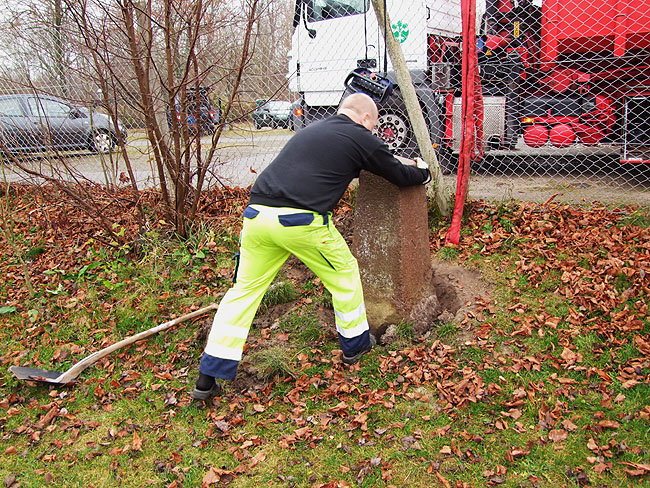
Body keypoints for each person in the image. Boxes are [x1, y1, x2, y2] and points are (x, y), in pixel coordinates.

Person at [193, 92, 430, 400]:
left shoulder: (312, 130)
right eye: (373, 126)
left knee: (243, 292)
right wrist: (423, 170)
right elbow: (398, 173)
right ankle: (356, 346)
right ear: (365, 119)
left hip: (256, 216)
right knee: (344, 273)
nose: (372, 131)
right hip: (301, 222)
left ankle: (207, 377)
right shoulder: (360, 136)